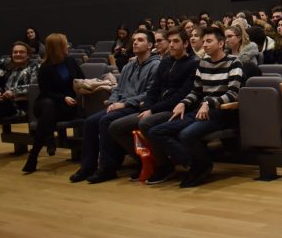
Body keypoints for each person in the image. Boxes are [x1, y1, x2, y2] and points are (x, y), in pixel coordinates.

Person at [146, 27, 244, 188]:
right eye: (204, 41)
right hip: (201, 110)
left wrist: (208, 103)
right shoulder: (203, 63)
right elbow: (195, 91)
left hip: (222, 112)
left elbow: (233, 94)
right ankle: (194, 163)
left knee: (185, 134)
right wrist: (183, 103)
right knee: (156, 131)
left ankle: (199, 166)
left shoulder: (234, 62)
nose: (204, 44)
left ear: (221, 43)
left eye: (209, 41)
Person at [107, 28, 200, 184]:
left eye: (176, 41)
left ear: (185, 44)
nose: (171, 45)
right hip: (156, 108)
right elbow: (153, 90)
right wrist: (146, 108)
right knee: (115, 126)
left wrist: (152, 110)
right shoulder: (166, 62)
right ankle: (146, 161)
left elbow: (181, 95)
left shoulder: (193, 64)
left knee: (146, 123)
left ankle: (164, 165)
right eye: (169, 41)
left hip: (178, 109)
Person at [71, 29, 162, 183]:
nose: (135, 42)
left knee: (105, 121)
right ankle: (87, 166)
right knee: (90, 122)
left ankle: (107, 168)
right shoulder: (128, 66)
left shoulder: (156, 65)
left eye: (140, 40)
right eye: (134, 40)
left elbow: (150, 94)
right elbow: (118, 89)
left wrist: (124, 103)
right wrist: (113, 102)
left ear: (150, 45)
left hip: (136, 106)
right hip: (120, 105)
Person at [23, 33, 83, 174]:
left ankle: (35, 154)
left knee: (47, 116)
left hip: (65, 107)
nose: (68, 45)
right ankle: (44, 142)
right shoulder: (45, 67)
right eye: (65, 43)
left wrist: (75, 91)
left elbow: (82, 79)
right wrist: (63, 97)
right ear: (58, 47)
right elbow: (45, 92)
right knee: (48, 105)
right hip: (47, 103)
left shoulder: (71, 62)